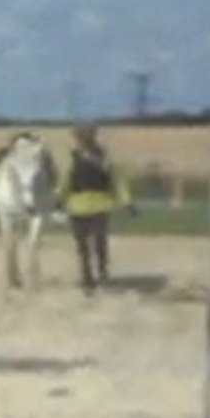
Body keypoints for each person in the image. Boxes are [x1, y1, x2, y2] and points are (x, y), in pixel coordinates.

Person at [56, 123, 135, 292]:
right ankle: (87, 277)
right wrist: (59, 200)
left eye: (85, 136)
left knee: (100, 241)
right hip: (77, 207)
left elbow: (116, 181)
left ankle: (102, 269)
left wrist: (127, 202)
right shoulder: (72, 160)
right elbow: (65, 182)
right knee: (82, 245)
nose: (82, 140)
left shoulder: (104, 160)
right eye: (80, 137)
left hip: (100, 205)